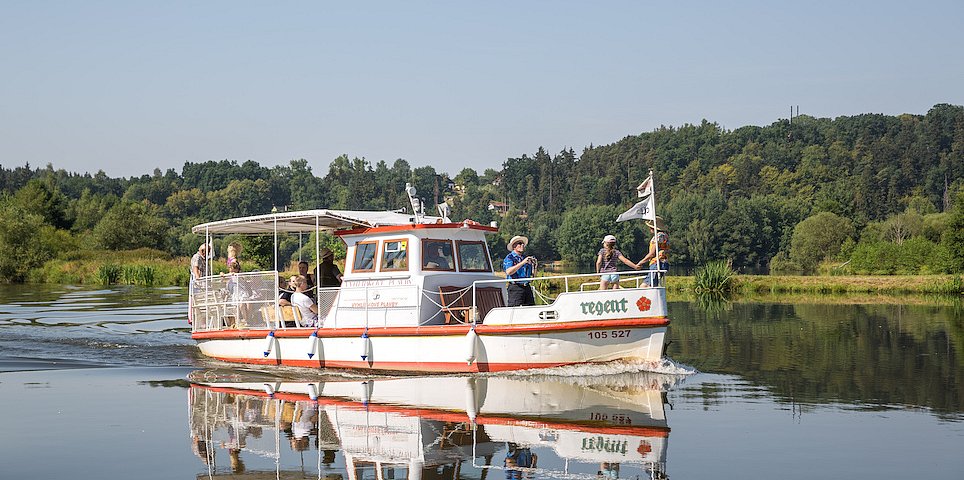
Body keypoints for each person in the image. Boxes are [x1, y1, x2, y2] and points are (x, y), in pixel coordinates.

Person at [636, 216, 669, 287]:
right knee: (653, 285)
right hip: (663, 262)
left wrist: (641, 262)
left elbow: (652, 253)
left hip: (657, 263)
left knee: (645, 286)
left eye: (650, 227)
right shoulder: (665, 235)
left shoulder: (658, 236)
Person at [503, 235, 536, 307]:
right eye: (520, 243)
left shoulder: (525, 257)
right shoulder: (510, 257)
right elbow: (508, 271)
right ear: (514, 246)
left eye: (523, 244)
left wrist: (534, 265)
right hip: (515, 287)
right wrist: (522, 263)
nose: (522, 245)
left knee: (531, 309)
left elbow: (531, 275)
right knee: (514, 310)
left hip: (527, 287)